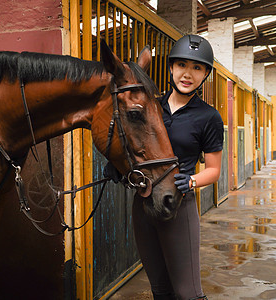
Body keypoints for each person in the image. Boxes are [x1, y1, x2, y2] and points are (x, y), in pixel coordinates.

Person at [104, 34, 223, 300]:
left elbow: (214, 170)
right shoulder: (151, 106)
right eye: (181, 64)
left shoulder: (208, 117)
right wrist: (117, 167)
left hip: (179, 205)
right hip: (144, 204)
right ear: (170, 67)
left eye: (197, 67)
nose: (187, 74)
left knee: (188, 293)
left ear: (205, 74)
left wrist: (191, 181)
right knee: (160, 290)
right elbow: (134, 147)